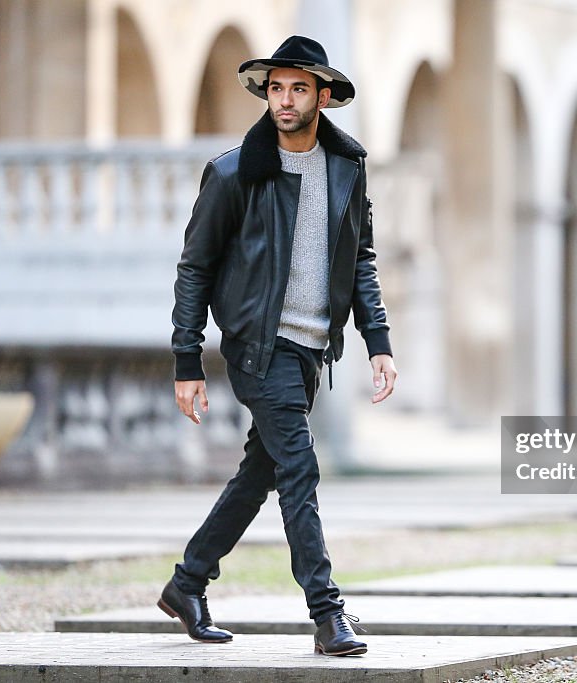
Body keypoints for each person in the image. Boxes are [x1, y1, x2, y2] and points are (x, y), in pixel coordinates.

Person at [157, 35, 398, 656]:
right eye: (276, 88)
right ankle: (328, 614)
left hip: (312, 348)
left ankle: (187, 583)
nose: (284, 100)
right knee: (299, 467)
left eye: (298, 88)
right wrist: (188, 359)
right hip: (257, 346)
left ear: (321, 95)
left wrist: (378, 339)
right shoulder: (235, 170)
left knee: (262, 469)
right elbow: (194, 267)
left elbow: (360, 259)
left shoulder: (347, 166)